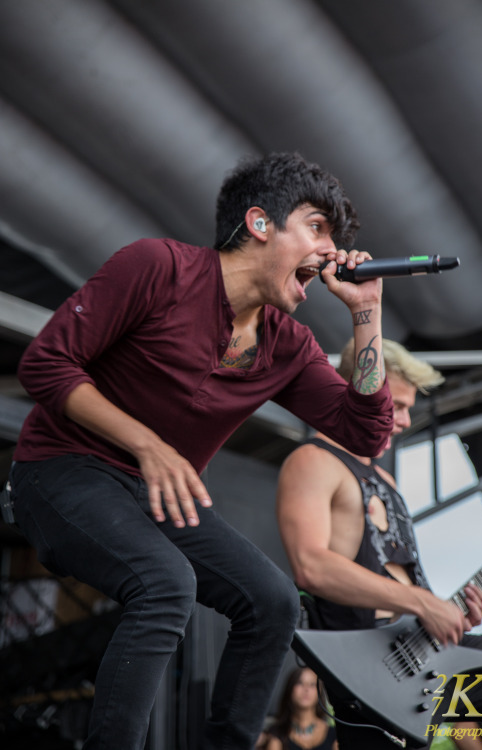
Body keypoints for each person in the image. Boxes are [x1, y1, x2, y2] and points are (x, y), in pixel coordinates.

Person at [6, 152, 394, 750]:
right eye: (317, 228)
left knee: (272, 602)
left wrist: (366, 313)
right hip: (61, 470)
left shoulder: (288, 345)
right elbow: (45, 363)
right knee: (166, 585)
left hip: (158, 495)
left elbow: (367, 433)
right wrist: (147, 443)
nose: (329, 251)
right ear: (261, 223)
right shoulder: (157, 268)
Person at [276, 338, 482, 750]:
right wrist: (422, 604)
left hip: (418, 654)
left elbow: (410, 587)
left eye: (408, 407)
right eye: (396, 405)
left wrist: (449, 615)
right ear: (355, 395)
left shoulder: (389, 484)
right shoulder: (313, 461)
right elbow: (311, 566)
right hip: (366, 667)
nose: (405, 420)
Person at [265, 666, 338, 750]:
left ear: (320, 692)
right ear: (290, 689)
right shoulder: (277, 733)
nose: (306, 689)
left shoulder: (333, 735)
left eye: (312, 684)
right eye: (300, 683)